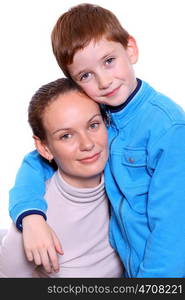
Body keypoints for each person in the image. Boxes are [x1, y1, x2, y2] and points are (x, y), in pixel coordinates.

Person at [9, 3, 185, 277]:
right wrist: (30, 216)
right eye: (86, 75)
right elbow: (36, 162)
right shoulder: (98, 113)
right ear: (75, 83)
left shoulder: (168, 128)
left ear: (131, 49)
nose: (104, 82)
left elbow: (173, 232)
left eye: (109, 61)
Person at [0, 77, 123, 277]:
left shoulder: (127, 179)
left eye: (93, 125)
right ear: (44, 147)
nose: (87, 144)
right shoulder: (33, 222)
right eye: (66, 135)